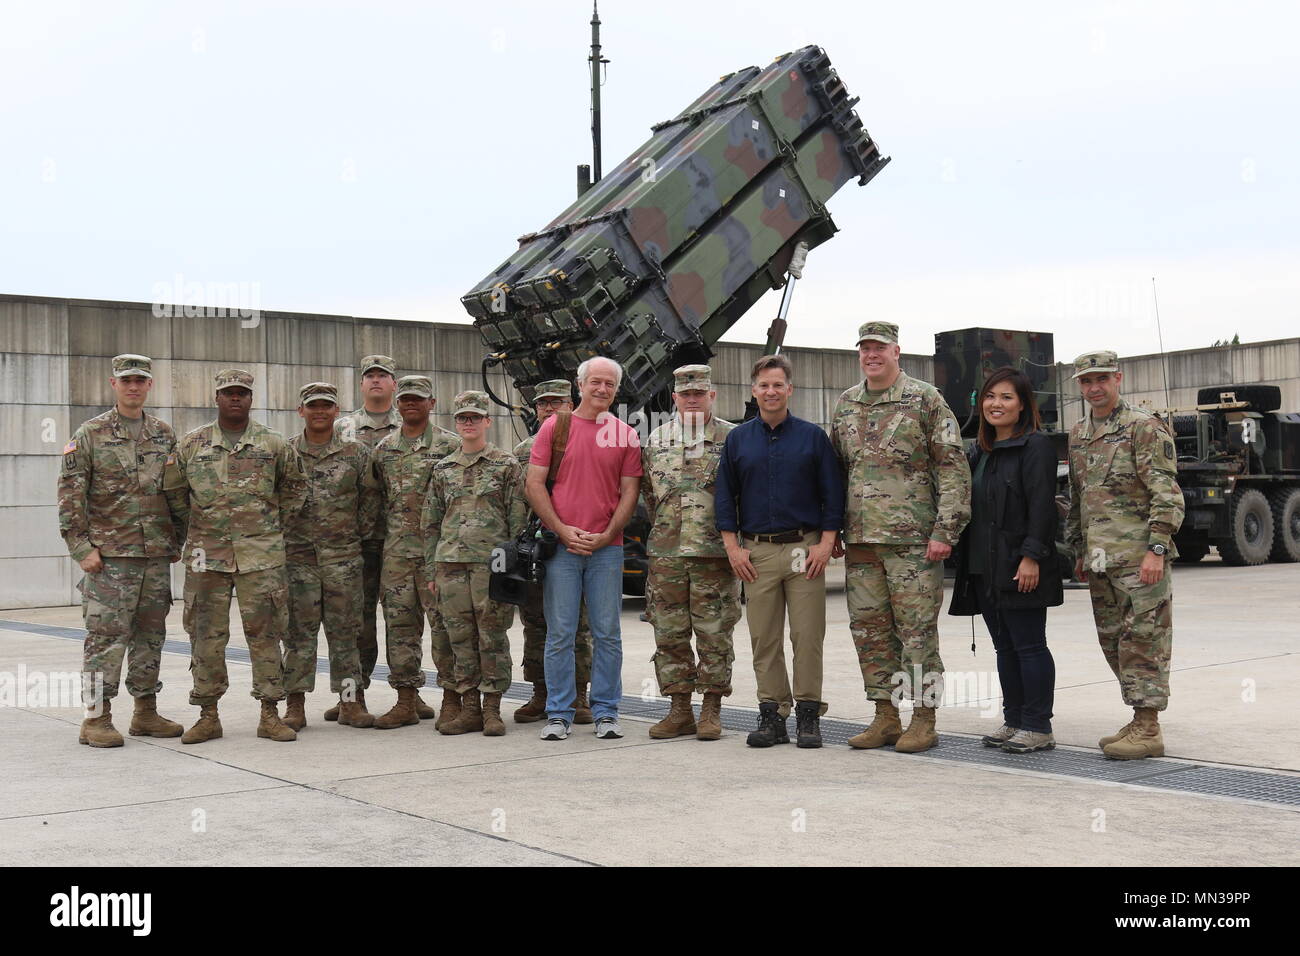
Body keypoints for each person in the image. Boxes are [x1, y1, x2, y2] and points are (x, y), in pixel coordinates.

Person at [831, 322, 970, 754]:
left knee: (917, 633)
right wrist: (833, 528)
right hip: (861, 541)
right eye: (865, 349)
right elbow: (837, 471)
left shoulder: (925, 399)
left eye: (880, 348)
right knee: (870, 631)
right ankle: (885, 715)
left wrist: (946, 530)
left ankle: (924, 718)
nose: (871, 355)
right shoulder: (846, 403)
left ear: (897, 352)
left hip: (914, 542)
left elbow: (952, 467)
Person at [163, 369, 308, 743]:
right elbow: (175, 495)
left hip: (261, 557)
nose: (235, 398)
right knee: (205, 636)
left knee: (266, 634)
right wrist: (197, 527)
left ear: (250, 398)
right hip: (204, 557)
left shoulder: (273, 443)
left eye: (242, 393)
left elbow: (295, 490)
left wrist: (268, 527)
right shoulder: (192, 444)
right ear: (217, 397)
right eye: (229, 393)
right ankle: (208, 714)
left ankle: (270, 713)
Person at [716, 354, 843, 749]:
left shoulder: (812, 438)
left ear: (790, 389)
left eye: (778, 385)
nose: (771, 392)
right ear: (754, 391)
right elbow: (725, 497)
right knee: (763, 638)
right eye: (764, 386)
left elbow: (832, 494)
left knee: (807, 636)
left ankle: (808, 715)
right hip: (757, 553)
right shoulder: (738, 439)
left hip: (804, 550)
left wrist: (825, 543)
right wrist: (733, 549)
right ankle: (772, 715)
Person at [57, 353, 183, 747]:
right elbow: (69, 495)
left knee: (151, 636)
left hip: (155, 555)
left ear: (149, 386)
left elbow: (177, 493)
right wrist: (81, 547)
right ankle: (96, 718)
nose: (133, 387)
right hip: (109, 558)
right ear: (114, 384)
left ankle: (145, 712)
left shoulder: (163, 434)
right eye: (126, 380)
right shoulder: (90, 433)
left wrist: (176, 540)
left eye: (140, 380)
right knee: (106, 638)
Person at [1066, 350, 1184, 759]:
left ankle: (1149, 727)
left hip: (1139, 558)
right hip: (1100, 560)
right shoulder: (1079, 433)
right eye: (1085, 381)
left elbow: (1166, 493)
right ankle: (1138, 717)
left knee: (1144, 640)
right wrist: (1079, 550)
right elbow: (1078, 497)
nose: (1093, 388)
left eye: (1101, 379)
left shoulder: (1143, 427)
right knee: (1114, 641)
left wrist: (1157, 548)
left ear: (1118, 378)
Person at [525, 357, 642, 742]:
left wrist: (608, 535)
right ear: (580, 385)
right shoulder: (553, 429)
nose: (602, 389)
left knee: (608, 633)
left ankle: (606, 711)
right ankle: (559, 713)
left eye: (610, 384)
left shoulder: (625, 434)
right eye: (596, 382)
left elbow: (629, 492)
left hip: (607, 550)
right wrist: (560, 530)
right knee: (560, 633)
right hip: (561, 548)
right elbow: (535, 485)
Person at [948, 367, 1062, 753]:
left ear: (1023, 404)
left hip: (1020, 565)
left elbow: (1042, 508)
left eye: (1006, 397)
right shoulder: (981, 451)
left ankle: (1038, 725)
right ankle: (1014, 719)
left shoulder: (1035, 447)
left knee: (1029, 646)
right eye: (990, 397)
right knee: (1005, 648)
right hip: (985, 567)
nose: (996, 404)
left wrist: (1031, 557)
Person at [329, 355, 434, 720]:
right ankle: (351, 695)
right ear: (361, 384)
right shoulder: (342, 426)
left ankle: (410, 692)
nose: (376, 381)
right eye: (369, 376)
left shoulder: (406, 425)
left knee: (404, 619)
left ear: (394, 384)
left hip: (396, 541)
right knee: (355, 622)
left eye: (383, 376)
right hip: (355, 540)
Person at [641, 364, 739, 741]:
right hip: (666, 554)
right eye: (686, 394)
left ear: (712, 395)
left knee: (714, 632)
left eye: (700, 392)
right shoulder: (658, 440)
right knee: (669, 633)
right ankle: (679, 707)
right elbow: (651, 497)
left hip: (713, 553)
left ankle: (712, 707)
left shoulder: (733, 438)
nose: (693, 398)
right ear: (675, 398)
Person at [422, 391, 528, 736]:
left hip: (491, 565)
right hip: (450, 564)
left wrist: (515, 569)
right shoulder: (443, 469)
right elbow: (431, 522)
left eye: (475, 417)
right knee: (459, 637)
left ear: (487, 421)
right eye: (463, 418)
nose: (468, 423)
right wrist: (432, 570)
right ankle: (469, 708)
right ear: (456, 423)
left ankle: (493, 708)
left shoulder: (506, 464)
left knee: (492, 636)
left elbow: (517, 520)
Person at [282, 382, 379, 730]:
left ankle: (351, 702)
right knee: (297, 636)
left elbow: (369, 503)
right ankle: (295, 705)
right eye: (312, 406)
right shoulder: (286, 452)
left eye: (326, 406)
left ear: (337, 411)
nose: (319, 411)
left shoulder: (356, 454)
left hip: (343, 561)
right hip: (298, 561)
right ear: (301, 411)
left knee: (348, 635)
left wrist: (355, 542)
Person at [369, 375, 460, 729]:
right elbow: (374, 502)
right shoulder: (384, 449)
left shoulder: (449, 447)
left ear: (431, 404)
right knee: (400, 628)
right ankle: (406, 699)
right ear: (397, 403)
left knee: (444, 629)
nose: (410, 404)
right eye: (405, 399)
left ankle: (452, 698)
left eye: (418, 399)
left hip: (438, 555)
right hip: (396, 554)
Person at [512, 380, 594, 724]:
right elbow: (517, 503)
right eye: (542, 403)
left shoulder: (587, 441)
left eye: (556, 402)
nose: (548, 409)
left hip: (576, 544)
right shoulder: (522, 451)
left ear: (570, 403)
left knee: (577, 624)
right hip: (537, 550)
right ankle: (541, 692)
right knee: (536, 622)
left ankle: (578, 695)